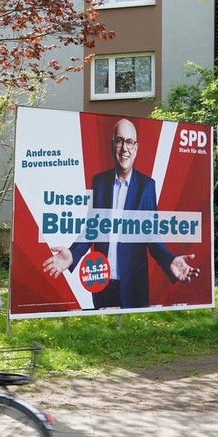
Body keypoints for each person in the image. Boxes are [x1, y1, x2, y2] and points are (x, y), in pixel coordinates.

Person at [42, 118, 199, 309]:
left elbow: (151, 235)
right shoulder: (99, 182)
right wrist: (72, 255)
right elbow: (93, 229)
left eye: (130, 142)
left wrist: (169, 261)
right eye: (119, 140)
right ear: (112, 145)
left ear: (136, 148)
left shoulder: (147, 186)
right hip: (102, 284)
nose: (125, 148)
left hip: (134, 286)